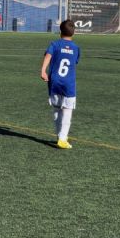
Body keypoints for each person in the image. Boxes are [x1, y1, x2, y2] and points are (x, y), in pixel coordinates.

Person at [40, 20, 80, 149]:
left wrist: (43, 71)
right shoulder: (75, 48)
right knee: (67, 111)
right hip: (68, 84)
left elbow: (48, 56)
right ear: (73, 33)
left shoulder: (55, 44)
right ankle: (63, 139)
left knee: (57, 109)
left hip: (55, 82)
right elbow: (75, 62)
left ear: (60, 31)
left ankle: (59, 135)